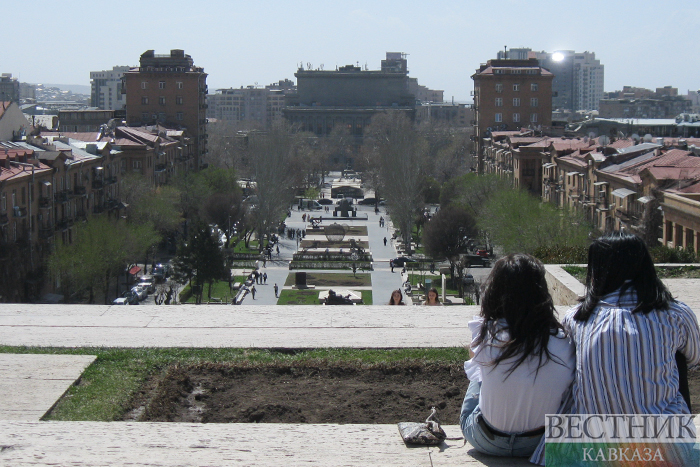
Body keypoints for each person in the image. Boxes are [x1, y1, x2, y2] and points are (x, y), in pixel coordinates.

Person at [564, 232, 700, 416]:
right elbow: (694, 358)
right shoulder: (675, 315)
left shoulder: (576, 318)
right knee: (677, 356)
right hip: (661, 437)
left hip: (595, 436)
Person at [460, 253, 574, 457]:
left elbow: (474, 361)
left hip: (486, 440)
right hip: (540, 443)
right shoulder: (563, 340)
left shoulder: (487, 333)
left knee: (478, 370)